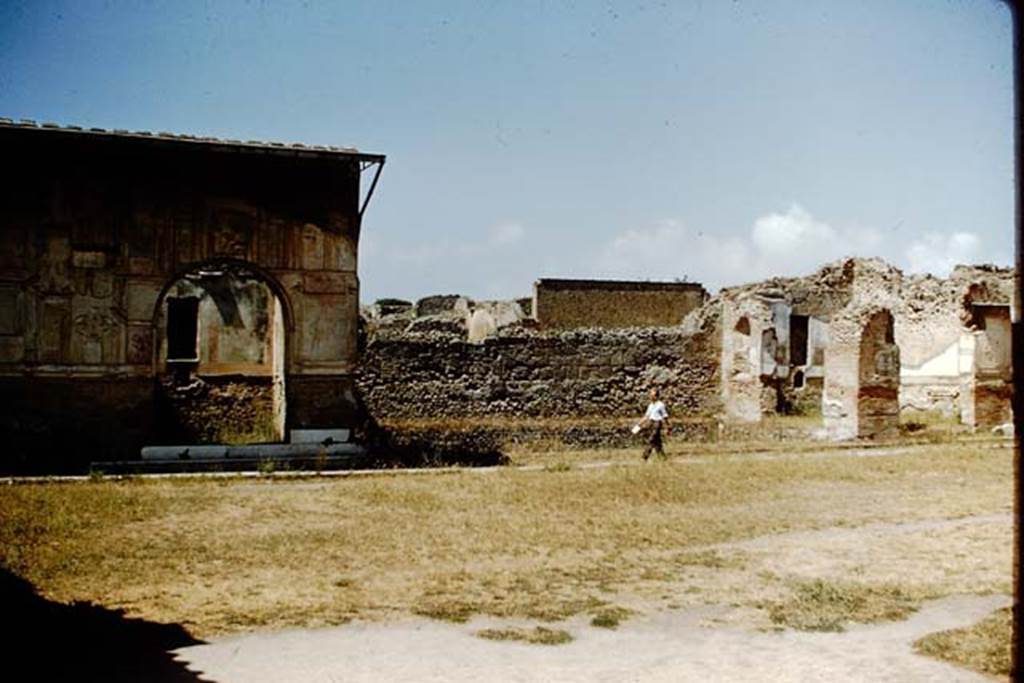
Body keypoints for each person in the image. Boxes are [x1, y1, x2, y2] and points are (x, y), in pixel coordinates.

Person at [638, 388, 670, 460]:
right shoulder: (650, 405)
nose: (651, 397)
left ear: (657, 396)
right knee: (657, 441)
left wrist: (667, 426)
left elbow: (665, 416)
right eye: (650, 395)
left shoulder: (661, 405)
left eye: (653, 395)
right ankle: (663, 457)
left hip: (657, 423)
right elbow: (646, 416)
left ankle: (644, 457)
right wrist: (639, 424)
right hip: (651, 423)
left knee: (651, 439)